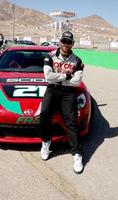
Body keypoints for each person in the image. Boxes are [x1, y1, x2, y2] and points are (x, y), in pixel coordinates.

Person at [39, 31, 84, 174]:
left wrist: (58, 77)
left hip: (68, 92)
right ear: (60, 42)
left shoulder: (77, 60)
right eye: (64, 41)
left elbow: (76, 82)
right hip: (52, 90)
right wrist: (67, 75)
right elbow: (48, 77)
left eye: (69, 42)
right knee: (44, 114)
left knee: (71, 121)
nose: (66, 44)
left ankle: (77, 153)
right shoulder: (50, 56)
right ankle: (46, 142)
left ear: (72, 44)